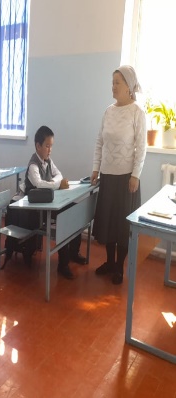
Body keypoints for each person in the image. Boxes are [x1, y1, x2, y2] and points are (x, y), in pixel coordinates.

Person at [91, 65, 146, 285]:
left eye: (117, 82)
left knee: (122, 225)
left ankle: (119, 267)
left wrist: (136, 175)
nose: (113, 86)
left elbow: (141, 148)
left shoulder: (137, 112)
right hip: (107, 175)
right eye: (112, 82)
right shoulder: (108, 111)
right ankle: (110, 262)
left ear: (128, 87)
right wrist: (95, 168)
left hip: (126, 179)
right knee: (108, 222)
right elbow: (99, 142)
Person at [22, 125, 86, 279]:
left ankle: (74, 252)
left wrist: (54, 183)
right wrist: (56, 184)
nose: (50, 150)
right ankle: (63, 264)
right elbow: (39, 184)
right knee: (64, 218)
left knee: (75, 210)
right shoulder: (33, 165)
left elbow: (59, 175)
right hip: (37, 210)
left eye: (51, 146)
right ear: (38, 146)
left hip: (50, 203)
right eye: (47, 146)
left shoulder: (48, 161)